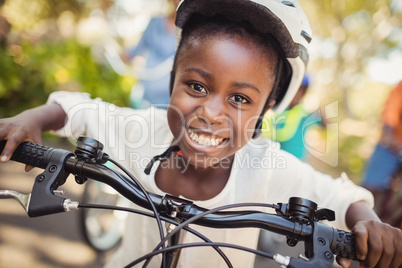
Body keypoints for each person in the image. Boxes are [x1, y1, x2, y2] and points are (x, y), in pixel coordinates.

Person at [0, 1, 401, 267]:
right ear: (173, 79)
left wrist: (367, 220)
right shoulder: (144, 130)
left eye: (240, 98)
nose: (211, 112)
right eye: (196, 86)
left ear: (265, 111)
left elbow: (342, 195)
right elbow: (76, 109)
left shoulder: (266, 168)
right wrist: (34, 118)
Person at [122, 0, 180, 109]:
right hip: (146, 98)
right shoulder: (155, 22)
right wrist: (110, 53)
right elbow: (133, 53)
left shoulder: (191, 31)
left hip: (170, 102)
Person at [362, 81, 402, 226]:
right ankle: (363, 215)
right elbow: (390, 111)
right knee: (372, 184)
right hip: (392, 142)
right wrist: (389, 137)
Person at [262, 74, 322, 161]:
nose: (297, 93)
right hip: (275, 159)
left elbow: (325, 125)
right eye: (295, 89)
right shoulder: (278, 110)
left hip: (296, 161)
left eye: (301, 90)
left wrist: (319, 103)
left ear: (304, 93)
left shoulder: (305, 115)